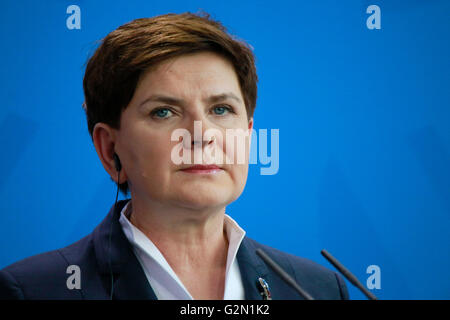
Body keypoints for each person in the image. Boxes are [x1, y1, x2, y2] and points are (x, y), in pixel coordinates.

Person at [0, 12, 348, 300]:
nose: (201, 134)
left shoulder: (318, 289)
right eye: (164, 112)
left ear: (248, 134)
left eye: (222, 109)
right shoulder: (34, 291)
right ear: (109, 149)